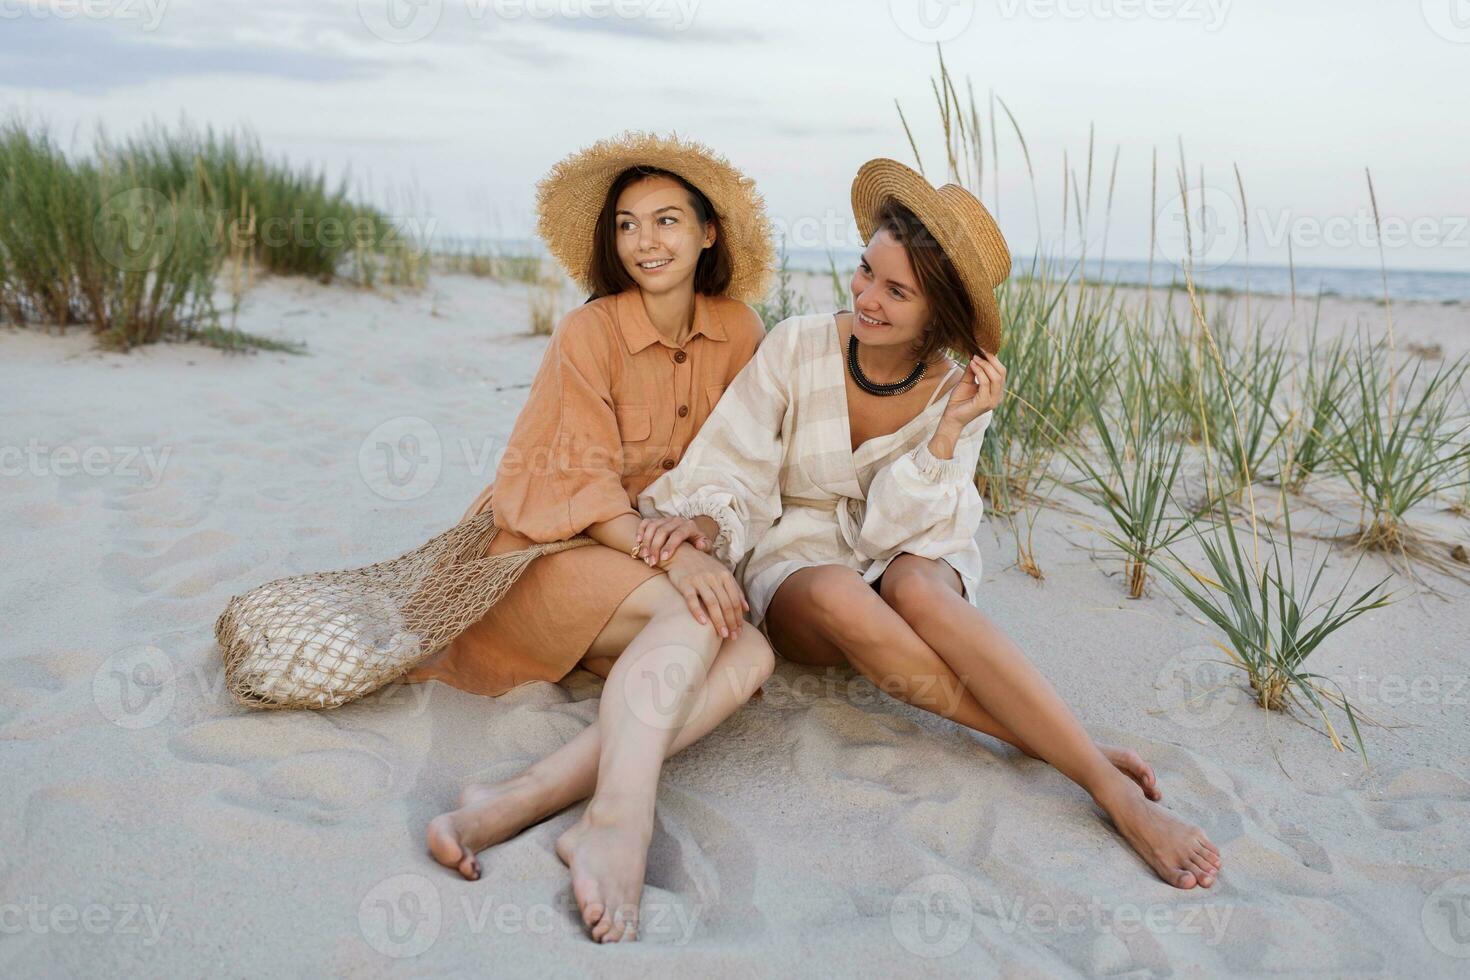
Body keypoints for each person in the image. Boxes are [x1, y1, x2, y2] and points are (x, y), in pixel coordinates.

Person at [637, 158, 1222, 890]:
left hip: (907, 551)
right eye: (865, 273)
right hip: (804, 568)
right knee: (840, 594)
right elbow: (738, 461)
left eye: (896, 291)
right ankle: (1094, 767)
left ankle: (1103, 786)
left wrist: (947, 433)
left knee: (918, 591)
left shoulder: (960, 391)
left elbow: (897, 540)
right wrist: (704, 518)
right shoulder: (798, 344)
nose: (867, 298)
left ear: (938, 313)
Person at [404, 133, 777, 942]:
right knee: (704, 622)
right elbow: (571, 483)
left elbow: (751, 464)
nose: (647, 242)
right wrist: (677, 557)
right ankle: (617, 820)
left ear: (709, 232)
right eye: (628, 226)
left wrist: (692, 547)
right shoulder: (589, 333)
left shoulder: (742, 331)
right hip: (551, 553)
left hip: (646, 580)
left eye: (669, 220)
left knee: (751, 653)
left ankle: (522, 798)